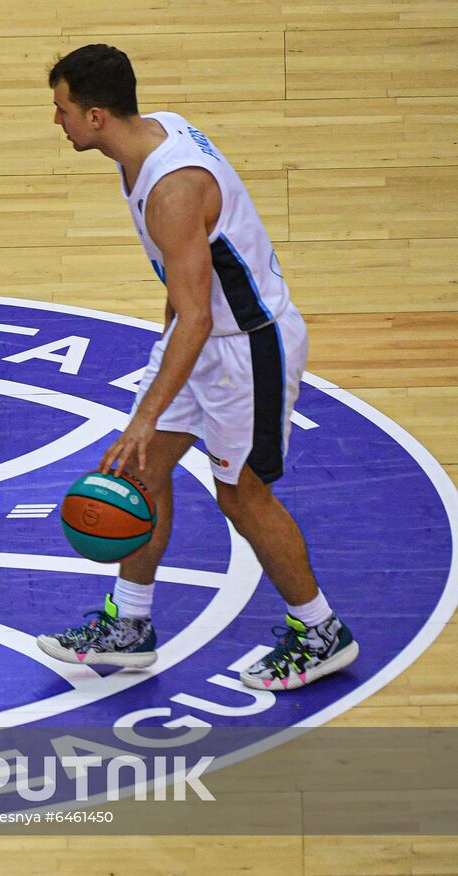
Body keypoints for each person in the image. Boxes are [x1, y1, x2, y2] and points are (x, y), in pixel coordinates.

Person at [34, 45, 358, 691]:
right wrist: (161, 375)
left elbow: (202, 311)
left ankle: (321, 631)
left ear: (96, 116)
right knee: (142, 467)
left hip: (248, 347)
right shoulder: (148, 139)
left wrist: (147, 412)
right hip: (199, 333)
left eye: (63, 110)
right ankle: (128, 628)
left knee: (241, 495)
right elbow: (186, 285)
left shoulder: (173, 189)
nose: (57, 121)